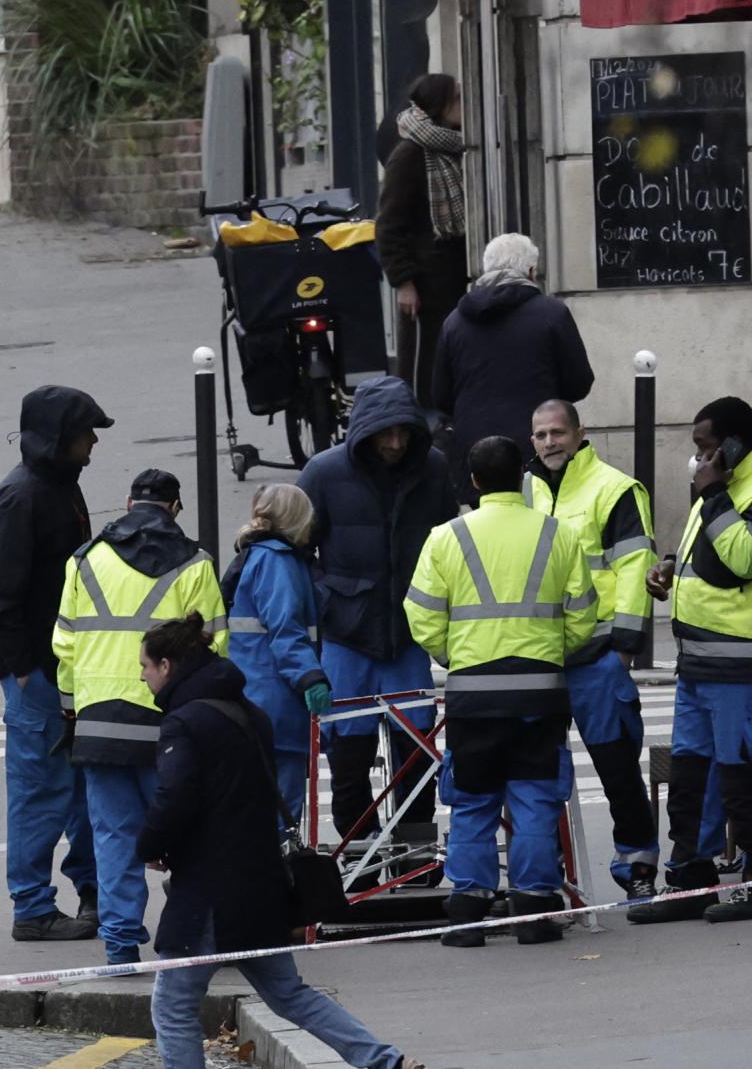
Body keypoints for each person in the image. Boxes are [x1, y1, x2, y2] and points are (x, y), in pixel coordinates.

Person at [131, 612, 435, 1069]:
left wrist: (148, 842)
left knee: (172, 1007)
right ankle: (390, 1067)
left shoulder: (185, 723)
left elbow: (174, 801)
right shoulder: (247, 711)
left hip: (209, 890)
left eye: (146, 669)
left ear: (168, 665)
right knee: (289, 994)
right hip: (260, 881)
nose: (145, 681)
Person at [405, 434, 597, 946]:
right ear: (523, 479)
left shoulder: (446, 537)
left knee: (472, 799)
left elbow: (421, 616)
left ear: (471, 481)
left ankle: (468, 910)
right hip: (539, 691)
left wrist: (455, 654)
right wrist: (551, 651)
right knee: (535, 799)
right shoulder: (558, 535)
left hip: (474, 692)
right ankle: (534, 907)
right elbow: (584, 617)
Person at [630, 396, 752, 925]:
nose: (699, 459)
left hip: (748, 669)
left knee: (748, 776)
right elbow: (711, 558)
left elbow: (743, 560)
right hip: (702, 664)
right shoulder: (724, 491)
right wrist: (670, 568)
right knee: (694, 776)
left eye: (705, 447)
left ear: (734, 443)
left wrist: (711, 496)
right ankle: (690, 880)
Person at [54, 467, 223, 966]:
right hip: (170, 721)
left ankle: (122, 942)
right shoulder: (195, 564)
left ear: (128, 505)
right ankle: (193, 936)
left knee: (112, 835)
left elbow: (64, 643)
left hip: (99, 720)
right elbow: (216, 645)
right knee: (187, 831)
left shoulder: (85, 561)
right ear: (174, 508)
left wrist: (71, 707)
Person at [0, 385, 112, 941]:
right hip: (39, 671)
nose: (94, 442)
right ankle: (32, 907)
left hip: (59, 668)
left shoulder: (53, 486)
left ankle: (88, 894)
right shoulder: (23, 498)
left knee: (75, 786)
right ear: (59, 438)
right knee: (41, 790)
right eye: (85, 433)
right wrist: (21, 669)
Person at [298, 376, 453, 848]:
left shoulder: (432, 467)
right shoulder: (324, 474)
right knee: (348, 759)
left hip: (409, 637)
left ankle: (416, 856)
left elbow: (451, 542)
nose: (395, 442)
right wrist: (329, 598)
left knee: (418, 757)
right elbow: (297, 551)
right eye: (385, 433)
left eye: (404, 432)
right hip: (348, 638)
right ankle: (362, 857)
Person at [528, 397, 660, 895]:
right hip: (539, 654)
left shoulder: (614, 488)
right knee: (537, 774)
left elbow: (633, 566)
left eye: (557, 432)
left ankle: (638, 872)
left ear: (580, 432)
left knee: (616, 769)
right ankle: (545, 877)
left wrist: (624, 647)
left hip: (598, 655)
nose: (548, 443)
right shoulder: (525, 489)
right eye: (540, 435)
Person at [429, 234, 593, 481]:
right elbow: (579, 382)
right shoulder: (552, 314)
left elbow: (441, 395)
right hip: (540, 452)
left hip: (477, 455)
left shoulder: (454, 323)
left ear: (485, 270)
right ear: (531, 272)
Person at [222, 483, 328, 827]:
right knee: (283, 807)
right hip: (277, 700)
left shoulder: (253, 556)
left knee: (254, 805)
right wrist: (310, 677)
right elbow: (286, 630)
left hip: (252, 693)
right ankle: (277, 874)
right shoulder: (279, 562)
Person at [375, 73, 470, 405]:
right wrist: (403, 281)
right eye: (458, 98)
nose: (465, 103)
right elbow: (388, 224)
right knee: (424, 367)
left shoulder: (459, 146)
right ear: (440, 107)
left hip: (458, 278)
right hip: (425, 288)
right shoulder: (409, 155)